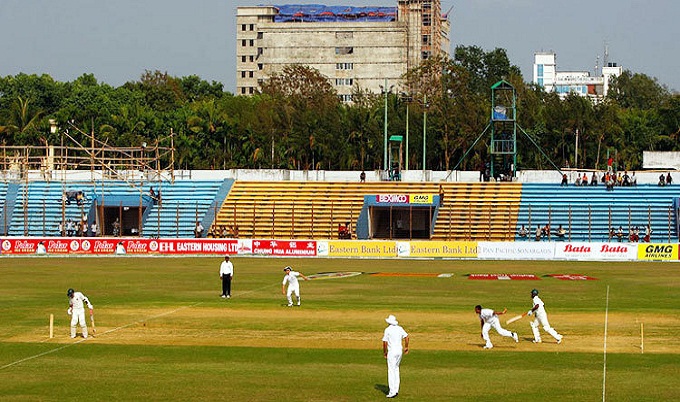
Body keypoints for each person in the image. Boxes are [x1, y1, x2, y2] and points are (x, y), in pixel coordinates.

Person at [382, 314, 409, 399]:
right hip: (399, 351)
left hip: (392, 351)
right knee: (396, 369)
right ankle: (396, 389)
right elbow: (407, 337)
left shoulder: (387, 330)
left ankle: (392, 392)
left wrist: (385, 352)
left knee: (391, 370)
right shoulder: (399, 328)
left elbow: (385, 342)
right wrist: (406, 347)